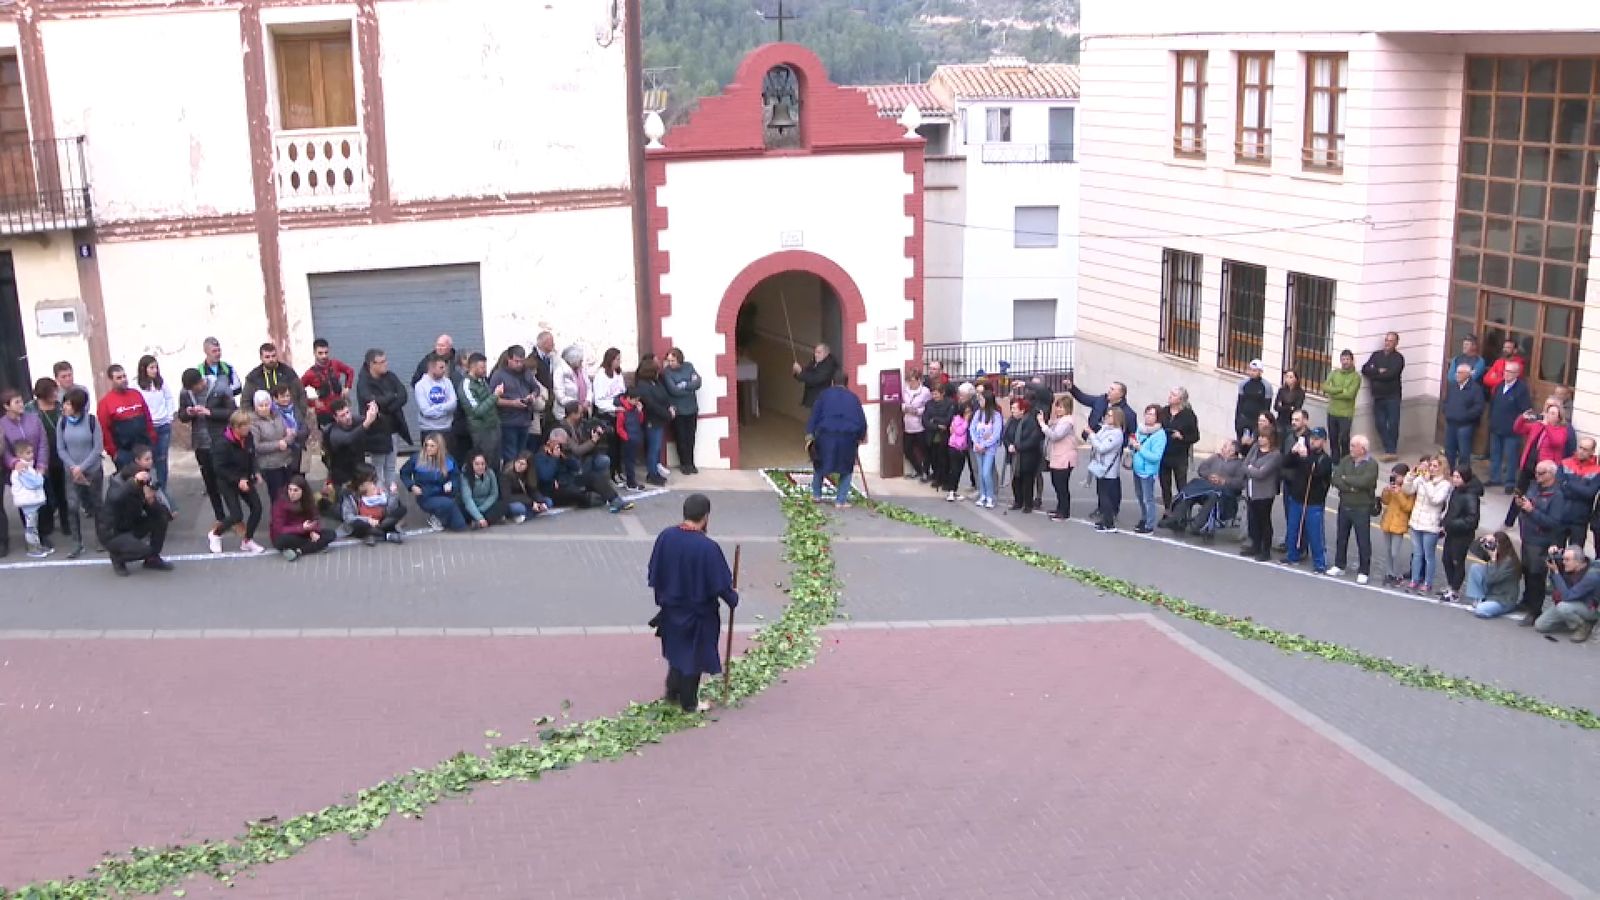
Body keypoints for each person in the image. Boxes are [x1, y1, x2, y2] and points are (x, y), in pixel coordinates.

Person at [647, 493, 739, 713]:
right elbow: (720, 584)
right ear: (705, 517)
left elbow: (654, 571)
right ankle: (689, 702)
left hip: (671, 609)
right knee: (693, 656)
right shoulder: (708, 548)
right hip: (698, 613)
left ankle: (672, 691)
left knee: (677, 650)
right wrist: (733, 598)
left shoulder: (666, 537)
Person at [97, 446, 174, 576]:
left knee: (161, 517)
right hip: (113, 533)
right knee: (145, 550)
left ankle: (152, 559)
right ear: (137, 461)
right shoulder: (119, 481)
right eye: (147, 459)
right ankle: (117, 558)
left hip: (130, 525)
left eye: (151, 459)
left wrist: (151, 501)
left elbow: (160, 512)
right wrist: (134, 483)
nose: (150, 462)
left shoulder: (147, 478)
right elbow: (115, 497)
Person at [1513, 460, 1565, 626]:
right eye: (1536, 472)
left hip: (1541, 541)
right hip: (1527, 537)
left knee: (1536, 576)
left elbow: (1553, 522)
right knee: (1527, 571)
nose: (1537, 476)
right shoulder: (1534, 487)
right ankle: (1526, 601)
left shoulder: (1557, 495)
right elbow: (1528, 504)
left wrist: (1531, 510)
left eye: (1541, 473)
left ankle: (1535, 611)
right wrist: (1521, 504)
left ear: (1551, 474)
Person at [531, 428, 634, 513]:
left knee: (593, 477)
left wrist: (566, 457)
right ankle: (590, 499)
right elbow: (545, 476)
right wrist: (554, 458)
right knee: (578, 494)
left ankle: (615, 500)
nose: (563, 445)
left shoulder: (562, 451)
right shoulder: (540, 456)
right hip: (553, 489)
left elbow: (576, 467)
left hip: (568, 481)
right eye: (560, 443)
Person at [806, 372, 869, 509]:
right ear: (847, 383)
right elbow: (861, 420)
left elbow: (814, 415)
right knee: (846, 469)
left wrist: (810, 434)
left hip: (825, 435)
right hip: (848, 437)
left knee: (819, 464)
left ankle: (816, 495)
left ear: (832, 382)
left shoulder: (823, 395)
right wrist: (861, 436)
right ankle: (840, 501)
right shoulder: (853, 398)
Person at [1, 388, 51, 557]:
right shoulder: (2, 425)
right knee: (27, 506)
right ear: (6, 406)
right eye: (17, 402)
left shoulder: (33, 419)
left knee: (43, 502)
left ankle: (43, 535)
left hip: (37, 469)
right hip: (19, 471)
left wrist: (42, 465)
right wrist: (14, 463)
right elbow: (4, 450)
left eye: (21, 400)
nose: (21, 404)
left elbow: (43, 443)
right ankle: (32, 540)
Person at [1505, 401, 1572, 526]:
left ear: (1559, 418)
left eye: (1553, 414)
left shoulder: (1561, 430)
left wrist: (1547, 426)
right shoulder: (1537, 426)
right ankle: (1509, 521)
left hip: (1543, 470)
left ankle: (1529, 521)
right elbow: (1518, 429)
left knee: (1535, 496)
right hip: (1528, 465)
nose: (1549, 415)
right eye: (1548, 412)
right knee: (1519, 493)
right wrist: (1522, 418)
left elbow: (1556, 442)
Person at [211, 409, 267, 556]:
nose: (248, 428)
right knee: (236, 515)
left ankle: (247, 540)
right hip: (227, 482)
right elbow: (219, 468)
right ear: (235, 427)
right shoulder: (222, 444)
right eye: (244, 426)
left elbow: (251, 456)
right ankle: (215, 534)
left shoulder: (248, 437)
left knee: (257, 508)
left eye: (248, 424)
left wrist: (256, 471)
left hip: (244, 478)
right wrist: (238, 480)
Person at [55, 387, 103, 559]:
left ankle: (101, 539)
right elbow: (60, 448)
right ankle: (77, 542)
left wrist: (82, 467)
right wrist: (73, 467)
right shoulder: (62, 422)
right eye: (64, 403)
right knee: (72, 506)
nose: (65, 407)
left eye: (68, 404)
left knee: (97, 505)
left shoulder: (92, 421)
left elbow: (97, 448)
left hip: (92, 470)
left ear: (78, 405)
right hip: (71, 472)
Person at [177, 368, 228, 528]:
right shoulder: (185, 392)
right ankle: (220, 517)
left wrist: (209, 412)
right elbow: (181, 415)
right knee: (210, 483)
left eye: (195, 388)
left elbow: (231, 412)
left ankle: (235, 517)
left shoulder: (220, 387)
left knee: (226, 481)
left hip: (220, 440)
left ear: (201, 382)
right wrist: (188, 412)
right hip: (200, 443)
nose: (193, 392)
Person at [1279, 426, 1334, 573]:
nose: (1313, 441)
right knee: (1293, 529)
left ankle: (1320, 563)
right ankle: (1292, 555)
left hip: (1314, 502)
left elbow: (1316, 473)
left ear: (1323, 441)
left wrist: (1305, 458)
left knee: (1315, 534)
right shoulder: (1303, 452)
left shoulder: (1325, 459)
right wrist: (1292, 453)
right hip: (1297, 498)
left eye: (1317, 439)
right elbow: (1285, 463)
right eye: (1312, 439)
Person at [1162, 439, 1244, 537]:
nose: (1222, 448)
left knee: (1213, 495)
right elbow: (1202, 468)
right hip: (1206, 486)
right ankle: (1176, 518)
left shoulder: (1239, 464)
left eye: (1225, 447)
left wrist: (1223, 480)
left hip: (1223, 493)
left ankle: (1198, 524)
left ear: (1232, 451)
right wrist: (1209, 475)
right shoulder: (1215, 458)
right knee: (1191, 490)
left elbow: (1240, 483)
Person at [355, 349, 410, 490]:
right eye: (382, 362)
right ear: (372, 364)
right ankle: (380, 497)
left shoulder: (390, 376)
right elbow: (371, 400)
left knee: (391, 467)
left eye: (385, 360)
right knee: (378, 469)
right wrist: (392, 396)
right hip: (376, 432)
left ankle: (391, 497)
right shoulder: (364, 383)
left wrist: (389, 408)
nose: (386, 364)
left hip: (393, 429)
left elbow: (403, 395)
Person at [1327, 434, 1379, 584]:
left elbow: (1365, 482)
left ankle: (1364, 571)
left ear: (1362, 449)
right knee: (1341, 537)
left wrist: (1346, 479)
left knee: (1363, 540)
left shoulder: (1372, 465)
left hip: (1361, 507)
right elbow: (1336, 478)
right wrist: (1351, 487)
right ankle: (1339, 565)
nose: (1350, 448)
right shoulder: (1346, 460)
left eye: (1353, 446)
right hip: (1344, 504)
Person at [25, 378, 67, 548]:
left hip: (60, 453)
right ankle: (47, 524)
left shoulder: (60, 407)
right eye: (52, 391)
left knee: (63, 491)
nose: (56, 394)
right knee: (46, 493)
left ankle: (66, 522)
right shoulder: (30, 409)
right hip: (41, 454)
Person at [1400, 455, 1451, 593]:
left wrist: (1428, 483)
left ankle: (1428, 582)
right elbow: (1407, 490)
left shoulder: (1445, 484)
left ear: (1442, 468)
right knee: (1417, 554)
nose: (1432, 469)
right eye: (1431, 465)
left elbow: (1435, 500)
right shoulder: (1422, 479)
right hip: (1416, 521)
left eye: (1435, 466)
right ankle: (1414, 579)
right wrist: (1410, 476)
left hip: (1430, 525)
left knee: (1428, 556)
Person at [134, 355, 178, 503]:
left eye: (156, 367)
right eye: (151, 367)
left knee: (162, 459)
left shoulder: (160, 383)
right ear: (144, 369)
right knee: (148, 460)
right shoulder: (136, 385)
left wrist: (169, 416)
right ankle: (149, 490)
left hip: (163, 425)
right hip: (149, 427)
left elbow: (169, 398)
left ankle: (162, 490)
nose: (155, 370)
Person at [489, 345, 543, 464]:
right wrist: (512, 403)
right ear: (509, 359)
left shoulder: (526, 373)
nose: (519, 364)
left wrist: (532, 396)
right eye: (516, 361)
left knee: (522, 455)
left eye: (521, 361)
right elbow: (493, 399)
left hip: (525, 421)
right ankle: (509, 474)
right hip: (508, 422)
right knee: (510, 456)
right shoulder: (499, 375)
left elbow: (536, 388)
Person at [402, 433, 466, 531]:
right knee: (455, 517)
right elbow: (404, 473)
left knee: (457, 518)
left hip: (445, 493)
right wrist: (412, 486)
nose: (428, 448)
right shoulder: (416, 459)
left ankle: (442, 520)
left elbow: (455, 477)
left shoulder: (448, 459)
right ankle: (440, 519)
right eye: (427, 445)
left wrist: (452, 484)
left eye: (432, 446)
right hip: (426, 496)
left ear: (439, 447)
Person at [1535, 545, 1600, 642]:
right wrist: (1553, 557)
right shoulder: (1569, 567)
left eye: (1567, 560)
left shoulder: (1591, 576)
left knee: (1563, 607)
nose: (1563, 562)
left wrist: (1556, 572)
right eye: (1563, 559)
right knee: (1540, 625)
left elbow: (1567, 596)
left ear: (1578, 562)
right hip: (1571, 603)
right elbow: (1553, 588)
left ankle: (1584, 625)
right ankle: (1572, 619)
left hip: (1589, 607)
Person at [96, 364, 156, 470]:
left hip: (144, 448)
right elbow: (104, 430)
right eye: (119, 378)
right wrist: (113, 453)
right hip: (124, 452)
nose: (123, 380)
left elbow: (147, 417)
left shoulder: (136, 394)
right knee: (128, 480)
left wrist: (152, 438)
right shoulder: (105, 403)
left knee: (149, 478)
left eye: (124, 376)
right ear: (111, 380)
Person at [1438, 465, 1483, 603]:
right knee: (1446, 559)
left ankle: (1455, 590)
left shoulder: (1471, 495)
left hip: (1463, 535)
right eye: (1454, 476)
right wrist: (1445, 523)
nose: (1455, 479)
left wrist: (1451, 524)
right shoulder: (1456, 491)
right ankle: (1451, 585)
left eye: (1458, 477)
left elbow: (1472, 520)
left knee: (1457, 561)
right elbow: (1451, 511)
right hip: (1452, 531)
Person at [1485, 359, 1532, 489]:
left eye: (1510, 372)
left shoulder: (1522, 389)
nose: (1507, 374)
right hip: (1496, 426)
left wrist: (1518, 424)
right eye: (1505, 371)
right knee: (1495, 454)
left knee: (1511, 457)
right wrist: (1490, 420)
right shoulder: (1500, 386)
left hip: (1512, 430)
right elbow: (1493, 404)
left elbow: (1525, 410)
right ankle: (1495, 478)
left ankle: (1510, 482)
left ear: (1517, 374)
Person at [324, 397, 380, 501]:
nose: (347, 417)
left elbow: (373, 423)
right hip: (342, 477)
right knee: (344, 504)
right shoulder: (333, 431)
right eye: (342, 415)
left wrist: (374, 413)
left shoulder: (354, 420)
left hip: (358, 472)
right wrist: (366, 423)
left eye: (348, 412)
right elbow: (348, 439)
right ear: (335, 418)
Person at [1239, 430, 1283, 562]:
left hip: (1265, 493)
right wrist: (1252, 469)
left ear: (1270, 439)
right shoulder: (1255, 448)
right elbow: (1244, 465)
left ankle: (1266, 550)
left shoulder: (1275, 455)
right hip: (1251, 491)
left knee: (1264, 521)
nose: (1260, 439)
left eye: (1264, 437)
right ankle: (1255, 545)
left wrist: (1251, 469)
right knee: (1253, 520)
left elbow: (1262, 473)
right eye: (1260, 437)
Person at [339, 464, 407, 546]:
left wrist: (393, 494)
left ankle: (373, 533)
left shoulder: (378, 484)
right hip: (364, 523)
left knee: (401, 509)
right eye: (370, 478)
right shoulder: (349, 494)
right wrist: (368, 520)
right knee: (358, 524)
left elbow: (390, 508)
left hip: (381, 520)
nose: (373, 480)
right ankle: (386, 535)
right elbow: (348, 517)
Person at [1362, 331, 1405, 459]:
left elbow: (1391, 374)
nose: (1387, 343)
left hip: (1392, 396)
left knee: (1393, 423)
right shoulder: (1376, 355)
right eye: (1386, 340)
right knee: (1379, 423)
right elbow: (1365, 369)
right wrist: (1378, 371)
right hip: (1378, 396)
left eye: (1391, 341)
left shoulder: (1398, 358)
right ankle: (1388, 447)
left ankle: (1391, 450)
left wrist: (1374, 374)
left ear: (1396, 343)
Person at [269, 474, 333, 561]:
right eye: (290, 489)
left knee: (330, 534)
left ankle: (299, 551)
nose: (292, 493)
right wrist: (301, 528)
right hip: (288, 534)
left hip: (305, 532)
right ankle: (317, 546)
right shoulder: (280, 503)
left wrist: (313, 531)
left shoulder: (308, 500)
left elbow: (315, 518)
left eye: (296, 490)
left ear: (303, 491)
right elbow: (279, 529)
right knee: (281, 541)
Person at [243, 342, 308, 426]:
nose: (271, 359)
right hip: (263, 422)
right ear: (261, 358)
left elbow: (301, 393)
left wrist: (301, 414)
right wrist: (253, 420)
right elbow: (245, 402)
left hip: (291, 418)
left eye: (273, 356)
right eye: (267, 357)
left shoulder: (288, 372)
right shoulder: (253, 377)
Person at [632, 359, 674, 487]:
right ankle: (652, 474)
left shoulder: (655, 382)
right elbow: (651, 405)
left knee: (657, 448)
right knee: (653, 448)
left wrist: (670, 407)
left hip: (659, 420)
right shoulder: (643, 386)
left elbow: (664, 396)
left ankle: (655, 472)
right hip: (651, 420)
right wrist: (668, 414)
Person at [302, 337, 356, 432]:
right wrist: (312, 402)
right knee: (329, 436)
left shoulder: (335, 364)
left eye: (326, 352)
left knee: (348, 433)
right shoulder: (310, 374)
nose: (324, 356)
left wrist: (347, 387)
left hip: (340, 409)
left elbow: (350, 371)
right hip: (324, 412)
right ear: (314, 353)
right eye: (320, 353)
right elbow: (297, 391)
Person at [1555, 437, 1600, 551]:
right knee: (1556, 553)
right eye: (1580, 447)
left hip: (1580, 520)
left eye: (1585, 449)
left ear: (1592, 452)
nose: (1581, 451)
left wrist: (1568, 483)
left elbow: (1590, 493)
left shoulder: (1597, 470)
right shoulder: (1565, 463)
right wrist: (1581, 488)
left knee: (1575, 554)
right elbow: (1558, 485)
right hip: (1560, 515)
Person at [1156, 387, 1199, 507]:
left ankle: (1181, 510)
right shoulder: (1164, 411)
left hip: (1179, 456)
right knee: (1165, 485)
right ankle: (1167, 508)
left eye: (1174, 395)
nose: (1170, 396)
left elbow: (1195, 436)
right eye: (1170, 393)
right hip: (1164, 453)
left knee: (1181, 485)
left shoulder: (1188, 415)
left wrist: (1182, 437)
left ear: (1180, 399)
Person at [1086, 407, 1126, 533]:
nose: (1107, 417)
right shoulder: (1105, 428)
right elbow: (1094, 441)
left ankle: (1109, 524)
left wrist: (1091, 434)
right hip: (1100, 467)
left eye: (1110, 415)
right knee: (1101, 495)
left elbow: (1102, 448)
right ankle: (1105, 520)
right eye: (1107, 415)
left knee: (1106, 497)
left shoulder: (1117, 434)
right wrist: (1092, 435)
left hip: (1108, 470)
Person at [248, 389, 293, 503]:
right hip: (270, 465)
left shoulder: (278, 415)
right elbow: (256, 446)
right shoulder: (253, 422)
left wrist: (287, 440)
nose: (264, 408)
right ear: (255, 407)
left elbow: (289, 433)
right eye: (261, 406)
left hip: (286, 460)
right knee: (277, 497)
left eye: (266, 404)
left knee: (289, 495)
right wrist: (277, 445)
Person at [662, 348, 702, 474]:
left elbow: (698, 382)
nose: (670, 363)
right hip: (678, 410)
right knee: (681, 438)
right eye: (669, 361)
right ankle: (684, 464)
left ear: (679, 360)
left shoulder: (689, 366)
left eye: (673, 360)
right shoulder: (667, 372)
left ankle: (691, 463)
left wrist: (684, 385)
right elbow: (673, 390)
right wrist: (690, 388)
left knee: (691, 438)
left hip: (691, 408)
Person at [460, 449, 524, 527]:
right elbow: (468, 500)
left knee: (504, 505)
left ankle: (481, 522)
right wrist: (479, 516)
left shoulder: (490, 473)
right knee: (461, 509)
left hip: (487, 506)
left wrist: (482, 508)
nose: (480, 467)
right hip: (472, 506)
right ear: (471, 464)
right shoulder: (465, 476)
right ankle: (480, 521)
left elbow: (494, 494)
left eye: (483, 464)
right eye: (477, 464)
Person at [1129, 403, 1167, 534]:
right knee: (1140, 496)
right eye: (1147, 413)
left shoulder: (1160, 435)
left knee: (1148, 498)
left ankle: (1149, 524)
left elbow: (1156, 457)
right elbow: (1135, 444)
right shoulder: (1140, 429)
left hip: (1148, 471)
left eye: (1152, 414)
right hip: (1137, 468)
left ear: (1158, 417)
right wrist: (1132, 445)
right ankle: (1144, 518)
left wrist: (1140, 448)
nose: (1148, 417)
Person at [1466, 532, 1523, 618]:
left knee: (1481, 610)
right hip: (1491, 595)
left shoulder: (1509, 562)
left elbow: (1491, 578)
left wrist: (1493, 560)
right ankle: (1478, 599)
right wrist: (1482, 539)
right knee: (1476, 568)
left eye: (1494, 544)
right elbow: (1473, 549)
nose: (1492, 546)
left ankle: (1497, 607)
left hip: (1503, 599)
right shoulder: (1497, 555)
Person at [1441, 362, 1486, 472]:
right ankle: (1449, 472)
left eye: (1459, 373)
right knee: (1449, 450)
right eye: (1457, 372)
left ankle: (1462, 474)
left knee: (1464, 452)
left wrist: (1465, 416)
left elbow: (1479, 407)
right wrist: (1446, 411)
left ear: (1467, 374)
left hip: (1465, 425)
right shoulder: (1453, 386)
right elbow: (1446, 401)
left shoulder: (1475, 389)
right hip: (1451, 423)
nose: (1456, 375)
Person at [592, 348, 628, 482]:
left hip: (619, 412)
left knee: (620, 444)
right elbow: (599, 400)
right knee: (612, 445)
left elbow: (622, 390)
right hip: (608, 414)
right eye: (617, 359)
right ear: (610, 360)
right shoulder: (601, 375)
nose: (619, 362)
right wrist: (614, 407)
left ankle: (619, 469)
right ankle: (612, 473)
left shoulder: (618, 373)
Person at [9, 441, 49, 557]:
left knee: (33, 526)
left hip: (31, 502)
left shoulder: (28, 467)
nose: (31, 454)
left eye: (31, 452)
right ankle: (33, 549)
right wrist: (40, 475)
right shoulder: (22, 469)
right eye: (28, 453)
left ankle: (37, 546)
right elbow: (35, 483)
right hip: (28, 503)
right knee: (31, 527)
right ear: (19, 454)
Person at [1377, 463, 1415, 585]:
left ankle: (1397, 574)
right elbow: (1386, 501)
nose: (1394, 478)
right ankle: (1390, 573)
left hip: (1399, 522)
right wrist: (1386, 492)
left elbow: (1408, 507)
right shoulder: (1393, 487)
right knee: (1388, 551)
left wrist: (1399, 493)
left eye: (1397, 476)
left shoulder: (1409, 490)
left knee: (1395, 552)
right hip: (1388, 521)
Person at [1064, 374, 1135, 439]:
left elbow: (1131, 435)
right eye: (1110, 388)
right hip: (1092, 438)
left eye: (1112, 389)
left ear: (1121, 394)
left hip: (1110, 444)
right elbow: (1083, 398)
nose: (1109, 391)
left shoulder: (1128, 413)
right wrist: (1071, 387)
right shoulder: (1101, 400)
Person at [1008, 395, 1046, 514]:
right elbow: (1006, 435)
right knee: (1016, 480)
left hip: (1028, 456)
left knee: (1027, 481)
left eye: (1014, 408)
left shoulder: (1031, 421)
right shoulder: (1012, 421)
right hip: (1015, 456)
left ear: (1022, 410)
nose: (1012, 411)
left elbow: (1033, 440)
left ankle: (1028, 504)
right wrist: (1009, 445)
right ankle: (1018, 501)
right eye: (1012, 408)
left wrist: (1017, 447)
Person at [968, 391, 1005, 509]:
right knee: (980, 472)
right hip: (977, 447)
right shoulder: (978, 413)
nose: (980, 402)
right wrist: (976, 442)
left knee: (986, 472)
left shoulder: (996, 415)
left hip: (989, 449)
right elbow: (972, 428)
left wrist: (984, 445)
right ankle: (982, 495)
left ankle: (990, 496)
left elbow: (996, 434)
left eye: (982, 400)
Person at [413, 352, 459, 446]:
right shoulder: (421, 385)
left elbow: (453, 404)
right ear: (431, 368)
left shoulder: (447, 382)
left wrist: (436, 408)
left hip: (447, 429)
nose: (444, 370)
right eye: (441, 368)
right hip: (429, 431)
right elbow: (426, 411)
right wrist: (445, 409)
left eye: (445, 367)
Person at [1043, 394, 1077, 521]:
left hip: (1065, 457)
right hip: (1057, 457)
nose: (1058, 409)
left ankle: (1064, 512)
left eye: (1061, 407)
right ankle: (1060, 508)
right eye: (1057, 407)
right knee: (1056, 483)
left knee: (1061, 485)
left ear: (1067, 408)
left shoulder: (1067, 422)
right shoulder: (1060, 420)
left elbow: (1055, 436)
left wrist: (1043, 425)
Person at [1323, 350, 1360, 461]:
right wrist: (1340, 390)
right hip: (1332, 412)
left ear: (1352, 361)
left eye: (1347, 359)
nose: (1345, 362)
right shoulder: (1334, 373)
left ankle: (1345, 461)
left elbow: (1350, 395)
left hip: (1346, 414)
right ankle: (1334, 462)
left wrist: (1333, 393)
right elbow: (1325, 387)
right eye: (1343, 359)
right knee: (1333, 439)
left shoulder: (1356, 377)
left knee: (1344, 439)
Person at [271, 382, 310, 476]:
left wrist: (295, 433)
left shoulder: (295, 409)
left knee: (299, 479)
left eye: (287, 396)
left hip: (298, 450)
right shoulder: (272, 413)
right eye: (282, 396)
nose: (286, 399)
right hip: (282, 453)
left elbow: (305, 429)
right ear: (275, 398)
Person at [498, 452, 550, 520]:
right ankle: (526, 513)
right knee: (519, 508)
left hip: (526, 499)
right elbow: (507, 496)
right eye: (518, 462)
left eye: (522, 464)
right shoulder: (506, 474)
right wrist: (531, 503)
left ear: (528, 466)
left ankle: (531, 512)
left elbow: (533, 490)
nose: (519, 465)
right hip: (513, 501)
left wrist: (541, 502)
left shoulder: (528, 474)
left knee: (548, 502)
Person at [1233, 360, 1274, 444]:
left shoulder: (1266, 386)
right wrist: (1237, 420)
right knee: (1241, 444)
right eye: (1250, 370)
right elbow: (1240, 403)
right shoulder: (1243, 384)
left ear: (1260, 372)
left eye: (1254, 370)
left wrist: (1262, 424)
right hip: (1244, 419)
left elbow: (1267, 407)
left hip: (1257, 421)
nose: (1252, 372)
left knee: (1254, 445)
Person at [792, 343, 841, 409]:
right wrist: (797, 373)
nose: (816, 355)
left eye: (819, 353)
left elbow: (815, 379)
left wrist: (800, 372)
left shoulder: (829, 365)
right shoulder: (815, 361)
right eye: (815, 352)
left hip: (821, 401)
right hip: (812, 400)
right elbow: (807, 372)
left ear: (826, 354)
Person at [902, 370, 931, 481]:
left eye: (913, 380)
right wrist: (904, 408)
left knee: (923, 450)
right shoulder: (905, 390)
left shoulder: (925, 391)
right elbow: (901, 402)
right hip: (908, 424)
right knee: (907, 449)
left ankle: (925, 472)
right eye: (909, 381)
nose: (911, 383)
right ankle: (918, 469)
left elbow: (928, 407)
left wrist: (918, 411)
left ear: (919, 380)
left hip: (920, 425)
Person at [531, 331, 560, 434]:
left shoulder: (551, 358)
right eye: (551, 341)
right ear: (543, 343)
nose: (553, 344)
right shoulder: (533, 359)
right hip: (541, 401)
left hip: (550, 402)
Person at [943, 396, 971, 502]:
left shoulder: (968, 420)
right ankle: (950, 491)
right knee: (954, 470)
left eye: (969, 411)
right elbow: (959, 431)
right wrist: (966, 421)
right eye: (966, 411)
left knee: (959, 470)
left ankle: (954, 491)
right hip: (954, 447)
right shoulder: (957, 419)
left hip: (963, 448)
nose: (968, 414)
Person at [1272, 369, 1306, 452]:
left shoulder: (1300, 392)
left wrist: (1283, 406)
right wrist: (1289, 407)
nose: (1288, 379)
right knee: (1278, 444)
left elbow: (1297, 408)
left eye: (1291, 377)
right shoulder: (1282, 390)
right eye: (1287, 376)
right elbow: (1276, 407)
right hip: (1280, 420)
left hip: (1291, 422)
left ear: (1296, 379)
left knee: (1288, 444)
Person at [555, 344, 592, 415]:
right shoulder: (560, 372)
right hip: (567, 413)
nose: (582, 362)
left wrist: (588, 401)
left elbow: (589, 387)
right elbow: (560, 397)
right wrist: (577, 405)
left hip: (583, 411)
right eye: (580, 360)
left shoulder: (582, 370)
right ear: (572, 360)